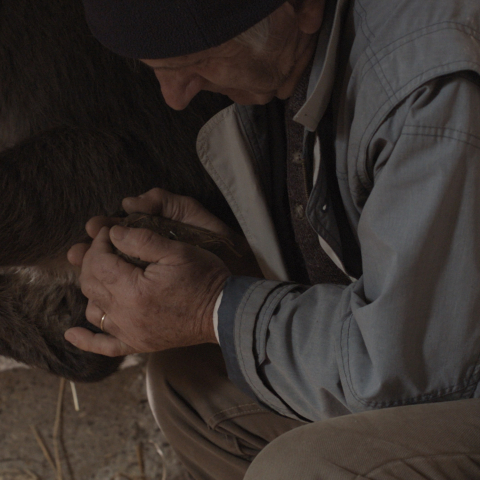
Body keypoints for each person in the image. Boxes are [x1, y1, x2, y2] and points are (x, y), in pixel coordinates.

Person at [65, 0, 480, 478]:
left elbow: (405, 373)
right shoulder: (291, 53)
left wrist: (212, 308)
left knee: (299, 468)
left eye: (194, 63)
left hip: (451, 384)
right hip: (421, 361)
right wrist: (231, 260)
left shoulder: (425, 92)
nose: (174, 97)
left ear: (301, 7)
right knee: (190, 389)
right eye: (156, 70)